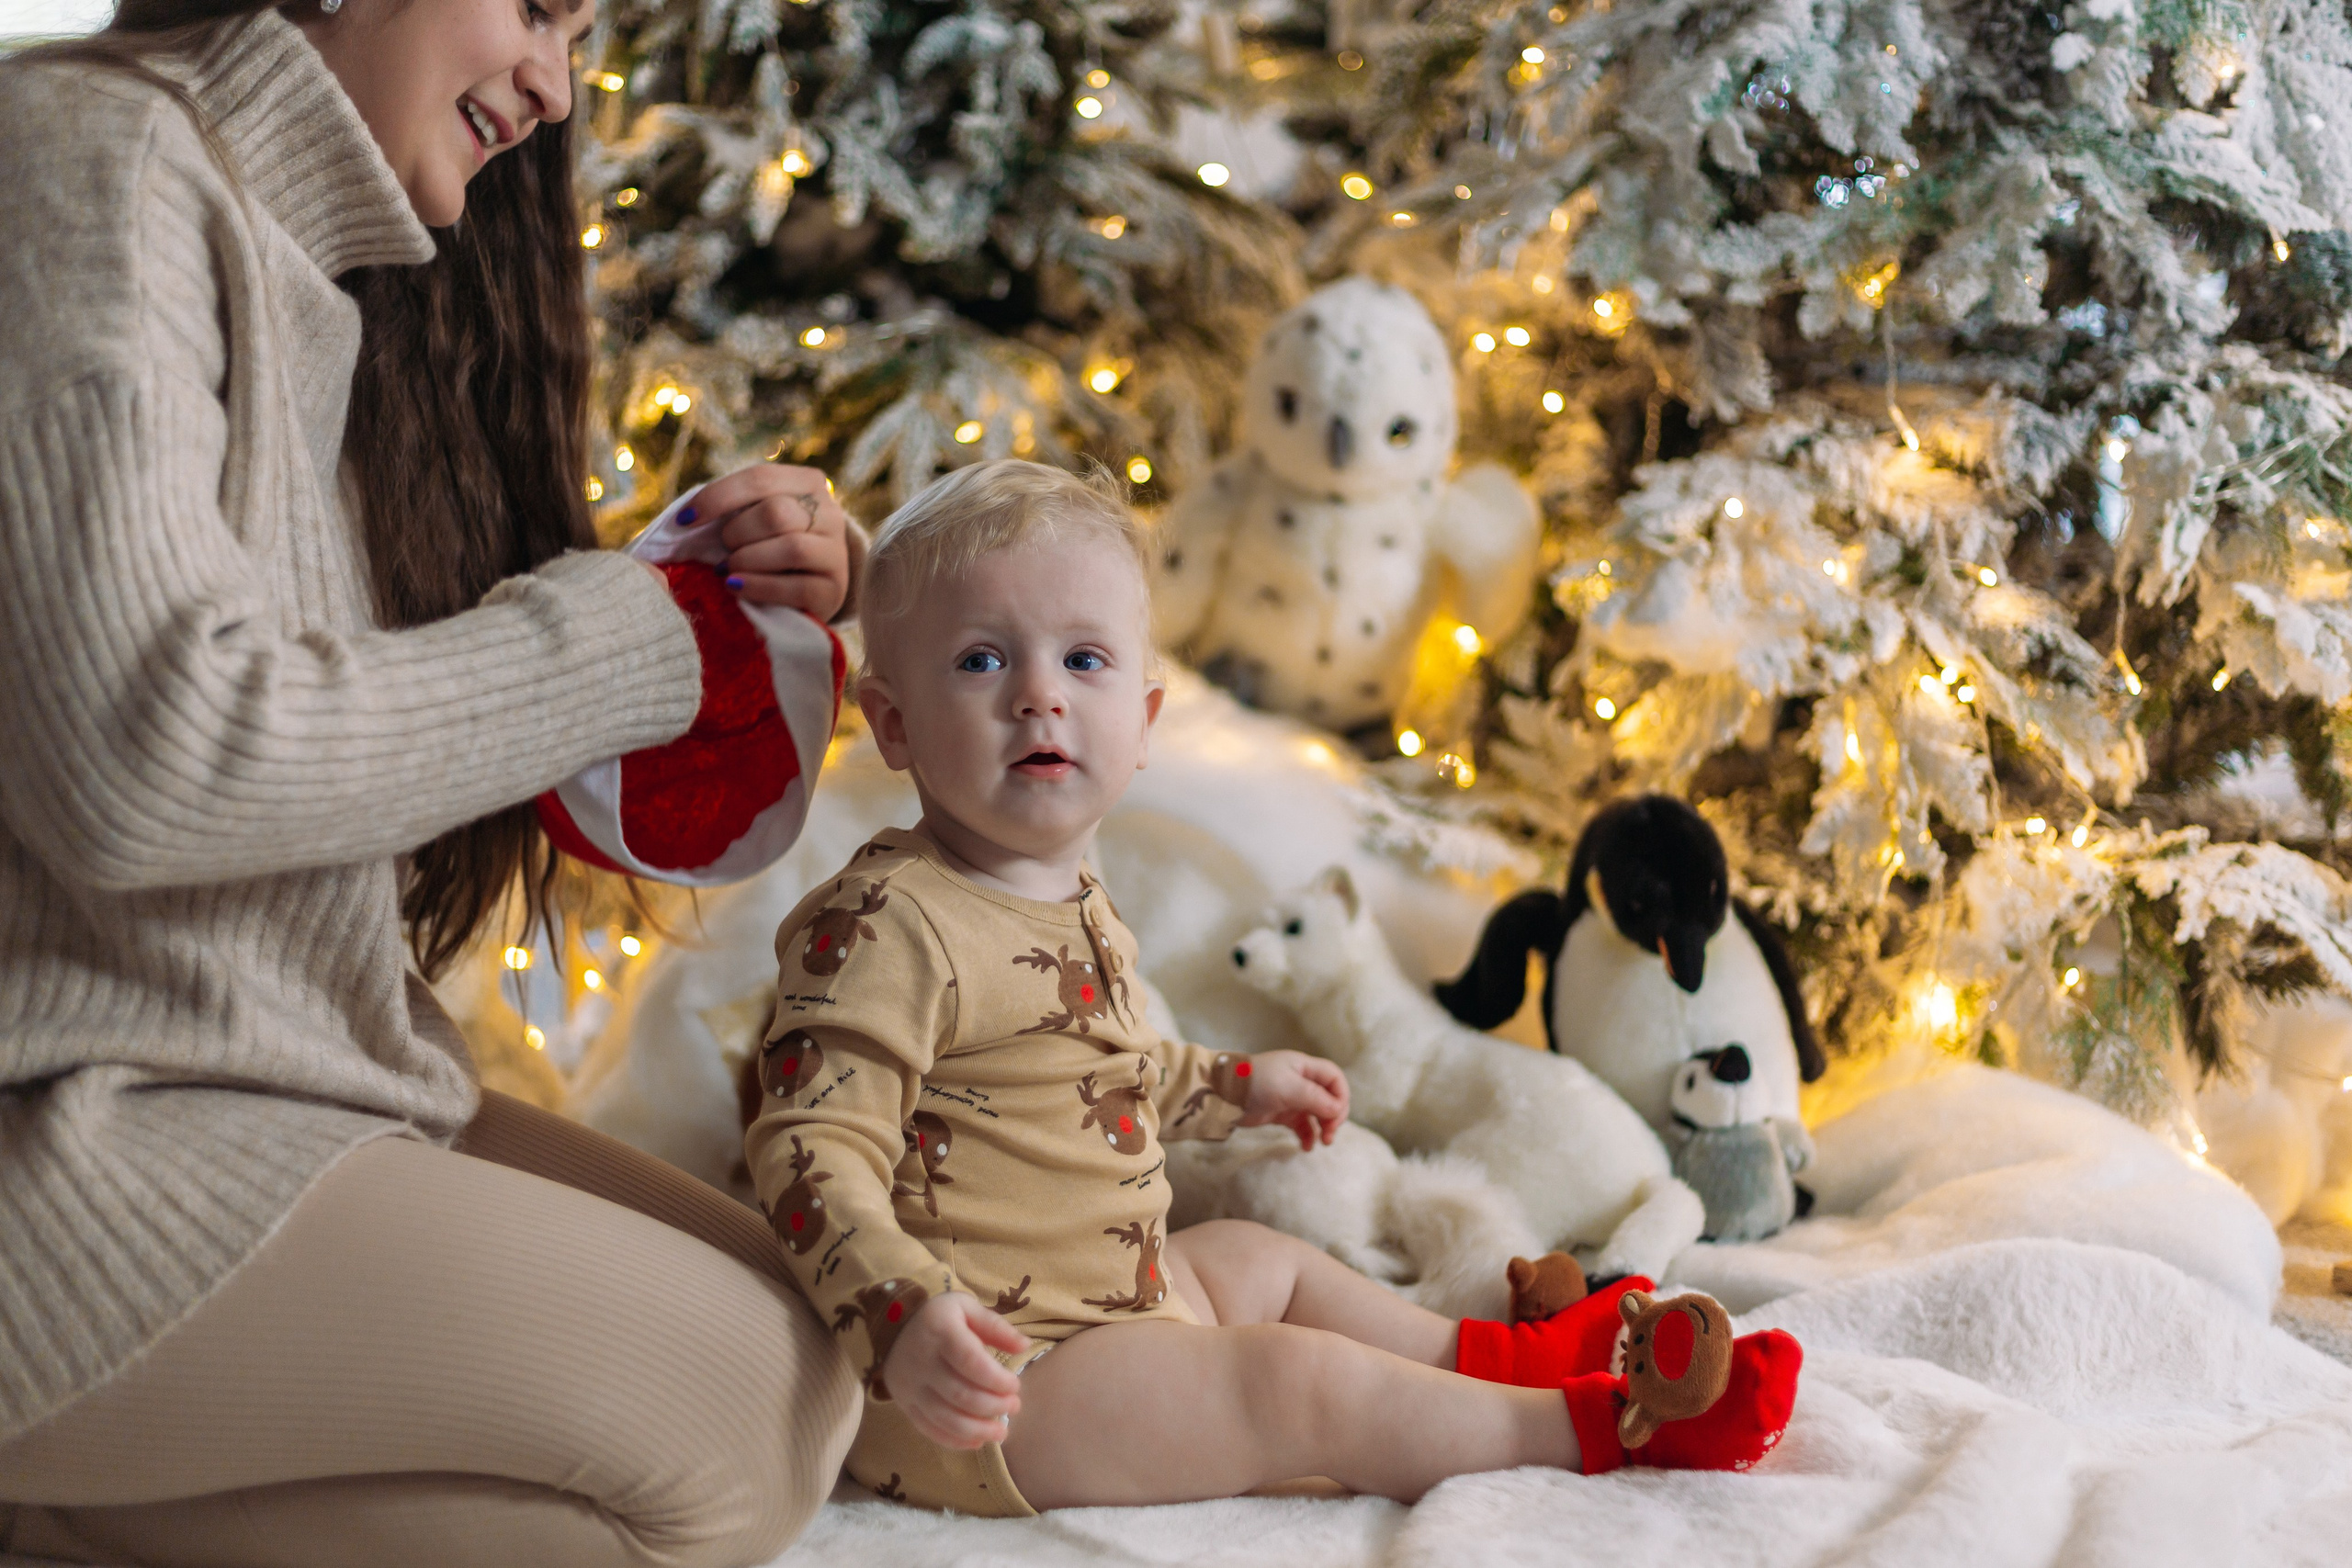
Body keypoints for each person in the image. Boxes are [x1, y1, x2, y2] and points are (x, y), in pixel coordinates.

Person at [0, 4, 865, 1564]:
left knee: (811, 1347)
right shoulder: (95, 156)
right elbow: (149, 758)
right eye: (538, 9)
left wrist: (714, 589)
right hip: (75, 1129)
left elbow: (345, 740)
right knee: (728, 1418)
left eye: (584, 32)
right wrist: (614, 641)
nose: (557, 80)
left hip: (258, 1082)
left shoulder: (317, 273)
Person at [745, 458, 1802, 1515]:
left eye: (1082, 657)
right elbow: (807, 1147)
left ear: (1144, 715)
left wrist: (1231, 1084)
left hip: (1119, 1308)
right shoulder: (886, 923)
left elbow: (1097, 1076)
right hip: (991, 1389)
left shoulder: (1071, 900)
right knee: (1286, 1382)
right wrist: (902, 1316)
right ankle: (1595, 1424)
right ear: (890, 723)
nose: (1039, 692)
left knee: (1262, 1261)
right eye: (981, 660)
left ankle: (1504, 1356)